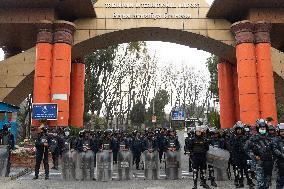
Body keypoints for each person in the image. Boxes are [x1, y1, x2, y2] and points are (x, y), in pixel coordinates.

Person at [245, 119, 273, 189]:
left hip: (268, 163)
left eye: (264, 127)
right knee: (260, 183)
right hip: (259, 163)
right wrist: (254, 156)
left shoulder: (270, 138)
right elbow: (246, 149)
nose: (263, 128)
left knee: (267, 184)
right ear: (258, 128)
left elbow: (274, 149)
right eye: (261, 127)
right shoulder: (253, 138)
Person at [230, 122, 254, 188]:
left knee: (248, 169)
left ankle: (250, 182)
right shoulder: (233, 137)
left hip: (246, 155)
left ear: (242, 129)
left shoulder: (246, 136)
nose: (238, 130)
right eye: (237, 129)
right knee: (239, 170)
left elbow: (251, 145)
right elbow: (231, 146)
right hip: (237, 156)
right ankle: (240, 182)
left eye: (240, 129)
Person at [272, 123, 284, 189]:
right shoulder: (275, 140)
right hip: (280, 163)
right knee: (280, 181)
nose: (283, 132)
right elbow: (275, 149)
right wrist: (281, 155)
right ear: (278, 131)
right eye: (281, 131)